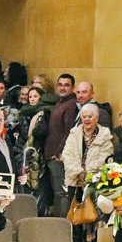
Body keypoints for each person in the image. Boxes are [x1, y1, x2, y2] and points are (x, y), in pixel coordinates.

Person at [62, 103, 115, 242]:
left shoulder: (105, 136)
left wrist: (88, 176)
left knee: (92, 215)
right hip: (74, 181)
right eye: (84, 116)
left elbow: (105, 158)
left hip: (94, 183)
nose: (86, 119)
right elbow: (67, 156)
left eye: (90, 116)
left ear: (96, 118)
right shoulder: (74, 134)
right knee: (74, 216)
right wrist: (79, 173)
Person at [39, 74, 79, 217]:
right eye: (60, 85)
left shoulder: (71, 105)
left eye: (66, 85)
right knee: (56, 193)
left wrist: (59, 151)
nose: (62, 88)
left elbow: (69, 131)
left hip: (59, 157)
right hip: (51, 155)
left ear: (73, 87)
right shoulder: (60, 103)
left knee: (62, 193)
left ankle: (62, 226)